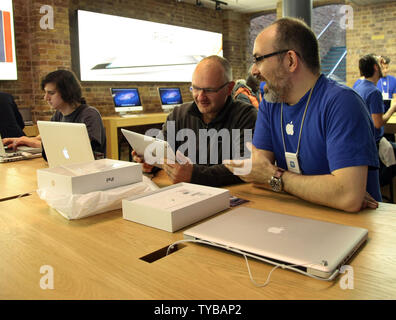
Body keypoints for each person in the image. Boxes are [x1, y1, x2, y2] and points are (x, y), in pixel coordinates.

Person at [224, 17, 380, 213]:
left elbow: (348, 198)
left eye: (259, 59)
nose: (254, 70)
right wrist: (327, 191)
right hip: (297, 217)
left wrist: (276, 178)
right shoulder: (270, 102)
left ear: (290, 60)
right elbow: (258, 175)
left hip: (353, 227)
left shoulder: (342, 103)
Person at [133, 55, 257, 187]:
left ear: (229, 88)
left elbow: (246, 166)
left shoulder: (246, 116)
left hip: (231, 196)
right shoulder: (178, 114)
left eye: (209, 90)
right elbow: (163, 152)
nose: (201, 97)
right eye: (196, 88)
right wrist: (151, 162)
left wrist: (195, 175)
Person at [3, 70, 106, 158]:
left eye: (51, 93)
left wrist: (29, 142)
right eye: (45, 93)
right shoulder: (59, 114)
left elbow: (77, 150)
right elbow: (45, 137)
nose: (45, 98)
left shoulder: (89, 115)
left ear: (67, 92)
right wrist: (20, 139)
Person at [354, 54, 396, 189]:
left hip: (361, 142)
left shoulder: (358, 87)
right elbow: (378, 123)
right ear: (375, 68)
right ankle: (381, 186)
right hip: (373, 143)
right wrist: (392, 109)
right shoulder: (374, 92)